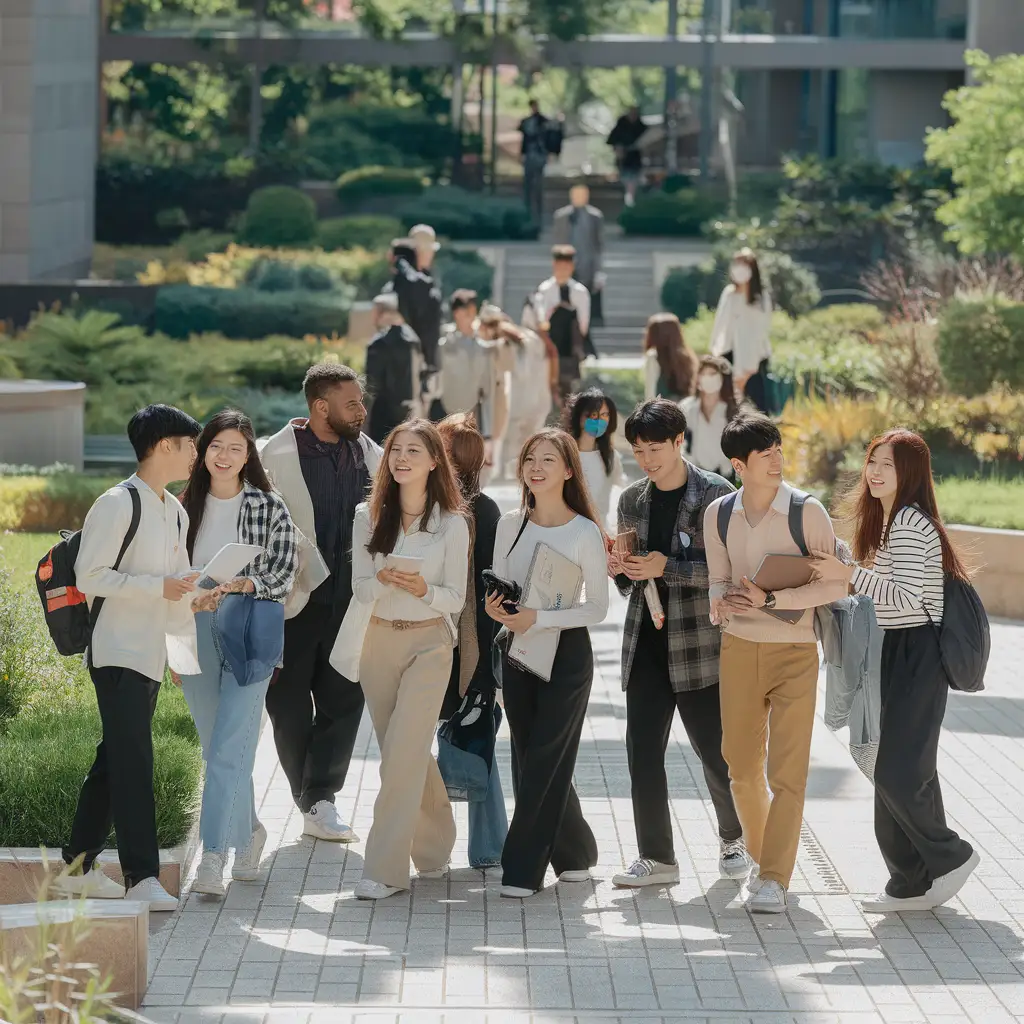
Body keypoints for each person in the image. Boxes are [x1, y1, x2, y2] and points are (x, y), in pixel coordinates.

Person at [810, 430, 980, 913]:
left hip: (918, 651)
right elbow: (885, 589)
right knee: (904, 767)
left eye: (890, 464)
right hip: (901, 648)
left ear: (911, 473)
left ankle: (951, 857)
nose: (877, 471)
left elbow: (904, 598)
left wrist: (848, 575)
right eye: (873, 461)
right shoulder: (892, 521)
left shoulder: (908, 522)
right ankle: (908, 881)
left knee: (898, 770)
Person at [58, 404, 201, 911]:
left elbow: (176, 584)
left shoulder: (175, 509)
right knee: (135, 760)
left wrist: (198, 596)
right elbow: (89, 577)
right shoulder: (118, 503)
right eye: (190, 445)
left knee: (114, 758)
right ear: (164, 445)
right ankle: (141, 875)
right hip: (115, 650)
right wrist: (156, 587)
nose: (195, 454)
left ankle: (77, 865)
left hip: (149, 652)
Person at [703, 414, 848, 913]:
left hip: (795, 650)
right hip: (739, 648)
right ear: (738, 464)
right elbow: (717, 580)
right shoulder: (719, 513)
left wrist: (771, 599)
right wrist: (721, 604)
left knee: (788, 772)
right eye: (764, 453)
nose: (776, 459)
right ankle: (767, 862)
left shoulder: (807, 512)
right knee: (740, 768)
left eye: (778, 449)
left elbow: (835, 584)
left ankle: (774, 878)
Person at [609, 400, 749, 889]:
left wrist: (664, 567)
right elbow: (628, 580)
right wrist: (622, 571)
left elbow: (732, 573)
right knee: (642, 752)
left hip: (700, 645)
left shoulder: (717, 495)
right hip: (645, 641)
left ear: (678, 442)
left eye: (655, 448)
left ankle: (734, 837)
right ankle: (657, 856)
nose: (647, 459)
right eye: (638, 450)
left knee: (715, 750)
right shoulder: (631, 499)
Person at [342, 420, 469, 899]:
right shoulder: (366, 516)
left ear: (434, 461)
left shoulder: (453, 523)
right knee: (406, 752)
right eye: (396, 450)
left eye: (414, 451)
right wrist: (387, 581)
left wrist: (424, 590)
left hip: (430, 644)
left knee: (399, 756)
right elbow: (359, 588)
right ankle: (435, 850)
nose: (401, 459)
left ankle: (384, 869)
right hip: (377, 644)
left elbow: (455, 598)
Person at [178, 410, 299, 897]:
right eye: (216, 446)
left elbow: (285, 572)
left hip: (249, 630)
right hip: (193, 630)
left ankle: (213, 857)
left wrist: (247, 581)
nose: (224, 456)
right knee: (219, 747)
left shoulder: (269, 506)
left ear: (249, 455)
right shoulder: (182, 506)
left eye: (235, 448)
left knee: (228, 748)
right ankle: (249, 830)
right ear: (202, 451)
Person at [260, 363, 382, 844]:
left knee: (343, 699)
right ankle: (308, 793)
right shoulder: (274, 456)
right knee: (286, 703)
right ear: (320, 407)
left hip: (352, 598)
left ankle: (321, 797)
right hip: (294, 597)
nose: (361, 410)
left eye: (360, 401)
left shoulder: (372, 456)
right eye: (351, 402)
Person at [485, 429, 609, 898]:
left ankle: (521, 869)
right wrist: (498, 609)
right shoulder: (509, 523)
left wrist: (540, 617)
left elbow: (596, 608)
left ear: (568, 470)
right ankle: (575, 853)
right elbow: (499, 586)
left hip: (567, 654)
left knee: (541, 756)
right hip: (516, 651)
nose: (536, 467)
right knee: (530, 751)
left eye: (548, 459)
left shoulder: (584, 532)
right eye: (529, 458)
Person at [436, 413, 507, 870]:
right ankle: (488, 848)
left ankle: (474, 846)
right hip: (456, 648)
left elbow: (486, 594)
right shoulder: (477, 508)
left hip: (462, 648)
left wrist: (481, 672)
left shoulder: (478, 511)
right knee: (477, 741)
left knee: (471, 739)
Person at [710, 249, 773, 413]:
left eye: (744, 264)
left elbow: (761, 331)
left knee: (757, 406)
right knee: (730, 405)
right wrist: (714, 352)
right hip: (729, 354)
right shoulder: (729, 294)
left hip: (755, 360)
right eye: (737, 264)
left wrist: (750, 367)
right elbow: (720, 325)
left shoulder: (761, 297)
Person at [501, 307, 556, 480]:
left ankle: (516, 474)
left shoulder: (524, 341)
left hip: (522, 401)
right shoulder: (535, 340)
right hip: (536, 400)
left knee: (517, 441)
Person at [535, 245, 595, 404]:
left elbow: (584, 324)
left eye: (566, 266)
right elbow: (541, 318)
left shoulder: (580, 292)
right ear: (554, 265)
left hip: (569, 348)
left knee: (568, 392)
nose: (562, 270)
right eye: (559, 266)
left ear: (572, 267)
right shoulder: (544, 290)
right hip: (548, 346)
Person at [364, 291, 425, 443]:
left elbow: (371, 385)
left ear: (382, 313)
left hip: (383, 414)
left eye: (374, 312)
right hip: (411, 412)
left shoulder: (379, 344)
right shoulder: (413, 339)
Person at [439, 289, 495, 444]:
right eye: (467, 312)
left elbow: (488, 389)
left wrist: (489, 432)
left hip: (472, 414)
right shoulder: (444, 342)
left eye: (473, 312)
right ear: (456, 313)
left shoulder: (483, 346)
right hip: (444, 411)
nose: (471, 317)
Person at [563, 387, 624, 529]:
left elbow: (619, 488)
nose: (600, 421)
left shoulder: (611, 456)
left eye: (605, 415)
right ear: (579, 417)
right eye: (594, 415)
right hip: (568, 528)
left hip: (600, 530)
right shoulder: (564, 452)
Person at [385, 227, 443, 372]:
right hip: (406, 362)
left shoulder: (424, 281)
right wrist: (401, 264)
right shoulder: (408, 284)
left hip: (423, 363)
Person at [552, 183, 605, 327]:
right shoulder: (561, 216)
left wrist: (598, 268)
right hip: (567, 261)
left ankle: (590, 321)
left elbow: (598, 243)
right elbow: (557, 240)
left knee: (587, 294)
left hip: (587, 261)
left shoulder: (595, 216)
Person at [680, 354, 742, 479]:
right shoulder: (687, 408)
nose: (708, 378)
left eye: (713, 374)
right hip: (694, 473)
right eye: (704, 374)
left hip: (725, 474)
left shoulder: (732, 411)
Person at [643, 312, 698, 402]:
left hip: (662, 411)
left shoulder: (653, 356)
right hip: (684, 409)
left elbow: (650, 391)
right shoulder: (687, 357)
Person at [607, 106, 647, 208]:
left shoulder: (640, 125)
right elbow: (613, 139)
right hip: (624, 157)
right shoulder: (621, 125)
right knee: (626, 178)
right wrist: (617, 149)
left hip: (636, 157)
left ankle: (631, 198)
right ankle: (627, 197)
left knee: (634, 177)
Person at [519, 99, 550, 224]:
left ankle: (536, 209)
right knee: (529, 182)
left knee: (536, 183)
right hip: (532, 154)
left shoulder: (542, 122)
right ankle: (529, 208)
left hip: (538, 154)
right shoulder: (529, 122)